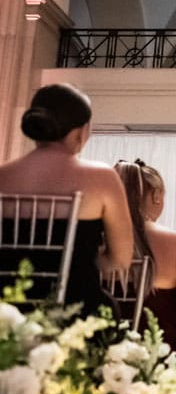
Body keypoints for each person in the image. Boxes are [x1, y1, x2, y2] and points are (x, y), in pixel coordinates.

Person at [0, 83, 132, 313]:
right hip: (75, 309)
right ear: (82, 131)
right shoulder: (102, 179)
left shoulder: (3, 176)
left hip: (9, 311)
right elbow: (120, 259)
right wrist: (84, 261)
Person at [114, 160, 176, 353]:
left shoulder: (100, 238)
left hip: (107, 341)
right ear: (156, 196)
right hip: (163, 348)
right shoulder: (175, 243)